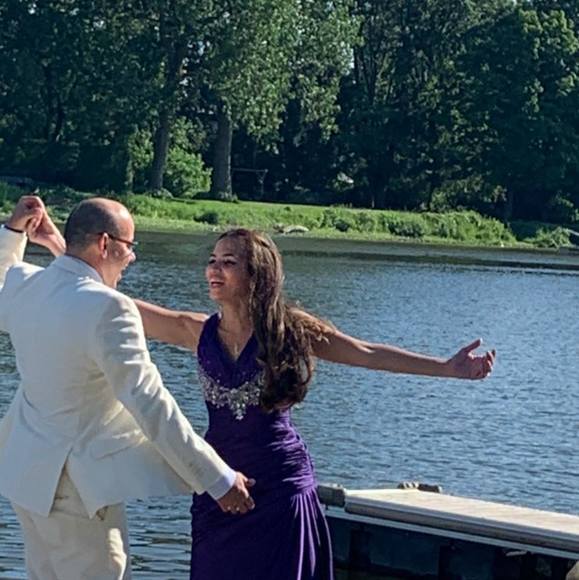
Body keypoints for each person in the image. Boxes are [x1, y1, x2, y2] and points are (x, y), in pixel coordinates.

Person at [134, 227, 496, 580]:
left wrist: (446, 368)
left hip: (280, 485)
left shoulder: (289, 330)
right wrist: (95, 262)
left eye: (228, 262)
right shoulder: (197, 331)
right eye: (212, 261)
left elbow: (366, 353)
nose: (214, 270)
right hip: (219, 482)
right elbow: (123, 309)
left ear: (257, 274)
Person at [0, 196, 254, 580]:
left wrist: (12, 231)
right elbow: (150, 404)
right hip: (76, 492)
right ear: (105, 244)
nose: (132, 257)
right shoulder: (110, 307)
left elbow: (4, 275)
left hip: (26, 480)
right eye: (129, 246)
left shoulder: (26, 285)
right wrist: (217, 478)